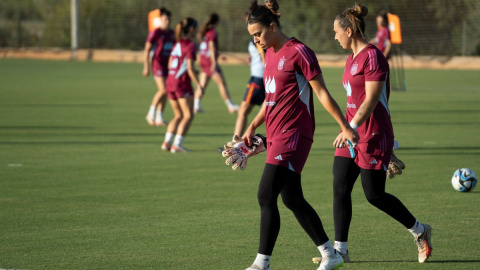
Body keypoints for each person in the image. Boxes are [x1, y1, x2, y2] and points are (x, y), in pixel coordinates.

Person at [241, 1, 358, 269]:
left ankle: (262, 263)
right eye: (252, 36)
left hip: (294, 135)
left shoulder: (300, 52)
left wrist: (345, 126)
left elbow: (322, 93)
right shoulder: (269, 53)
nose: (256, 40)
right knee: (291, 198)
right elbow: (271, 99)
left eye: (258, 33)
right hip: (275, 135)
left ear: (272, 26)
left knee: (265, 194)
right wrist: (253, 125)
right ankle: (330, 253)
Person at [328, 3, 432, 264]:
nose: (334, 36)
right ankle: (341, 250)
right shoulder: (351, 58)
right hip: (351, 133)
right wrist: (347, 128)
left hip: (373, 134)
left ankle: (419, 231)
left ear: (349, 31)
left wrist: (351, 126)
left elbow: (372, 100)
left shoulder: (373, 57)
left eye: (336, 32)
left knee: (374, 195)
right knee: (340, 187)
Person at [161, 17, 202, 153]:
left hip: (170, 82)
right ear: (191, 29)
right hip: (181, 84)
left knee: (178, 115)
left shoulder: (177, 44)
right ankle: (177, 144)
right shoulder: (190, 46)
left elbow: (171, 64)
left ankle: (166, 142)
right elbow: (189, 68)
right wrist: (199, 85)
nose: (196, 31)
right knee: (188, 115)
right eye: (195, 28)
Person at [233, 2, 266, 140]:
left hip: (258, 78)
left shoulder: (256, 39)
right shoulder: (257, 38)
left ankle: (236, 142)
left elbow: (265, 57)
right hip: (262, 78)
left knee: (242, 112)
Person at [193, 13, 239, 114]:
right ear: (216, 21)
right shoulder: (212, 32)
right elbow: (211, 47)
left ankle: (196, 106)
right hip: (210, 62)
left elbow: (208, 48)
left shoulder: (205, 32)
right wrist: (214, 62)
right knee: (221, 84)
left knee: (202, 85)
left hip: (204, 61)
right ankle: (230, 105)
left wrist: (218, 55)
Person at [143, 7, 175, 126]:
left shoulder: (172, 34)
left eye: (169, 20)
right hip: (157, 65)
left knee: (166, 91)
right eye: (165, 19)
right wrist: (146, 66)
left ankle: (159, 116)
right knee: (163, 90)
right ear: (160, 20)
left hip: (169, 66)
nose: (167, 22)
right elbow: (147, 49)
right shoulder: (155, 33)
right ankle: (151, 113)